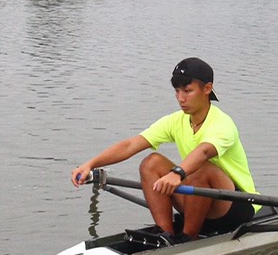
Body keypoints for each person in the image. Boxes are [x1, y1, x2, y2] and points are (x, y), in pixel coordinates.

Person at [70, 57, 257, 244]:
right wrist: (90, 164)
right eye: (177, 91)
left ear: (207, 89)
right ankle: (165, 234)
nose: (180, 98)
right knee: (151, 163)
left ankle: (187, 239)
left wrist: (177, 173)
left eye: (188, 91)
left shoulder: (222, 123)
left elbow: (204, 152)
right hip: (200, 201)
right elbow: (131, 145)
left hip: (237, 206)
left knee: (201, 168)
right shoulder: (176, 121)